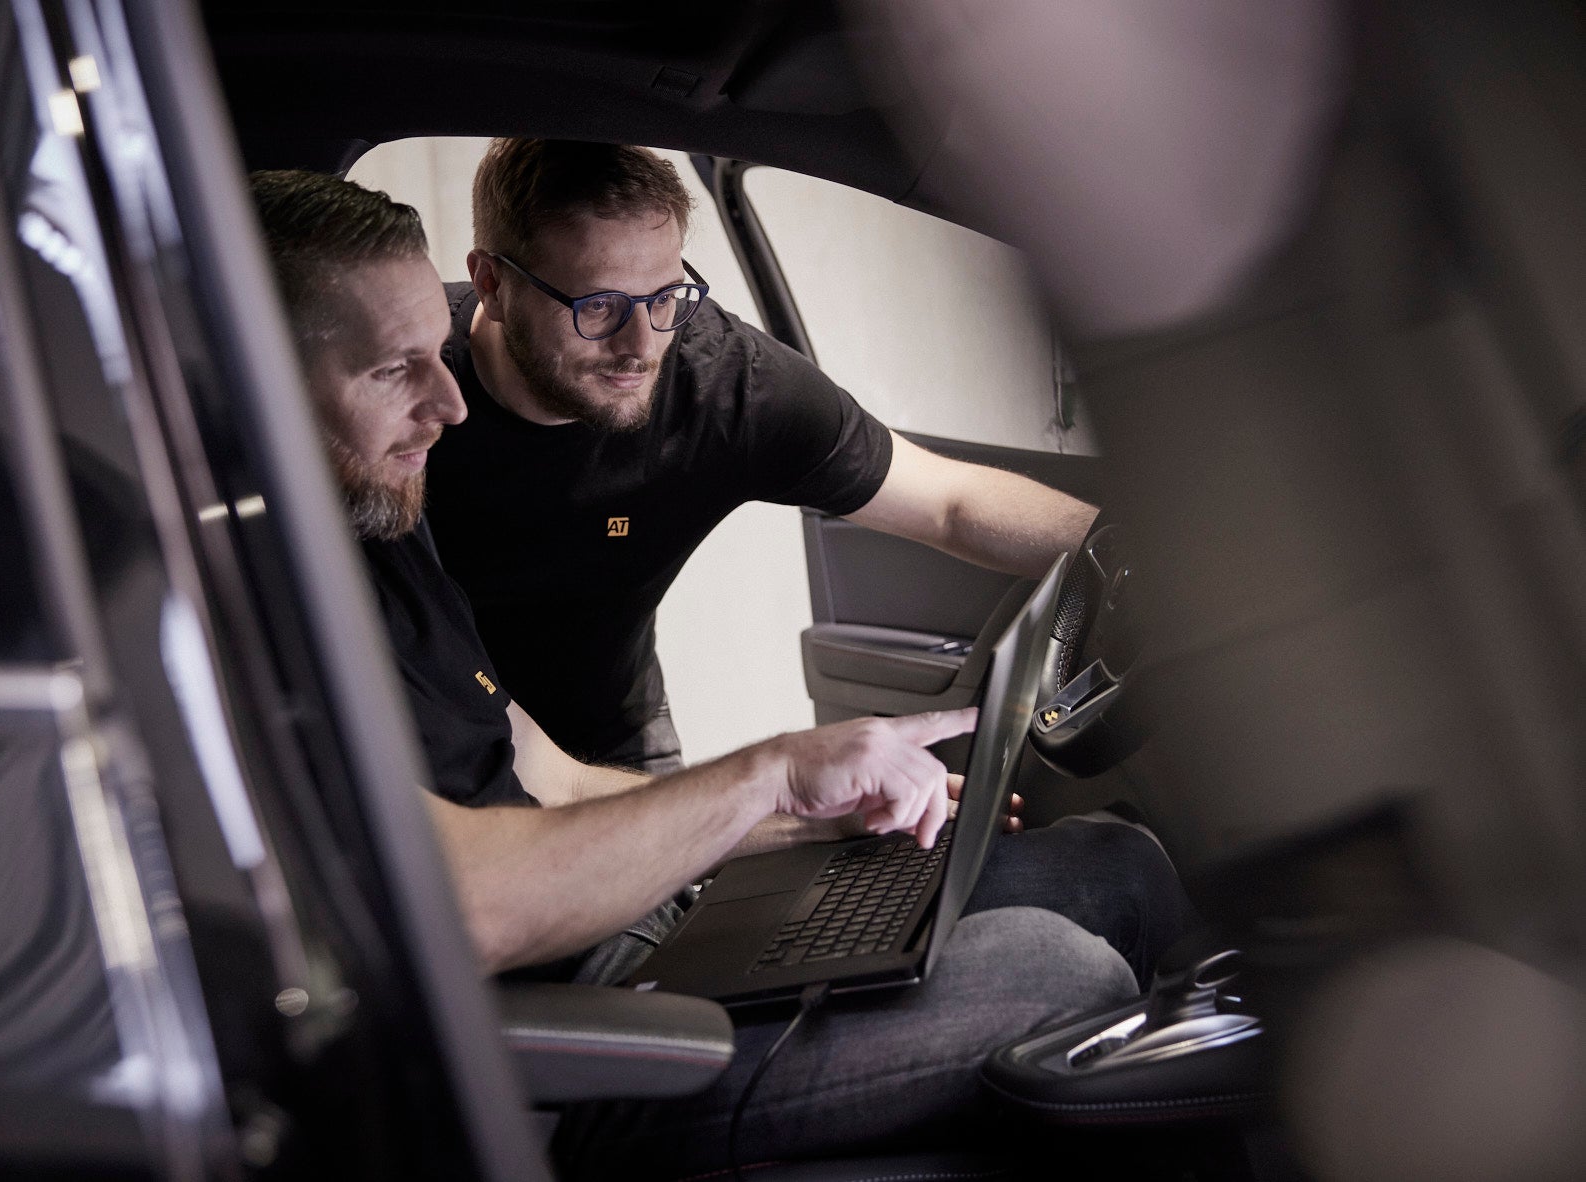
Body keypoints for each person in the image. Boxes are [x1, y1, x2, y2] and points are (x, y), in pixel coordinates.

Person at [251, 168, 1185, 1176]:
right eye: (394, 371)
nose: (446, 405)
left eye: (664, 299)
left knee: (1110, 868)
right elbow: (470, 903)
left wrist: (798, 822)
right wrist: (771, 772)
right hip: (572, 1037)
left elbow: (549, 776)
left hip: (625, 878)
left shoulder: (383, 524)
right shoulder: (248, 600)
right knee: (1056, 969)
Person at [424, 138, 1100, 774]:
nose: (641, 345)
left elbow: (951, 506)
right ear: (490, 283)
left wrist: (1138, 557)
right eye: (599, 307)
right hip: (415, 741)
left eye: (665, 297)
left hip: (607, 738)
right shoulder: (399, 393)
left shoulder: (721, 380)